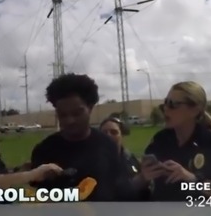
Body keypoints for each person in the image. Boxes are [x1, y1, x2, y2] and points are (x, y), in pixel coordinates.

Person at [29, 73, 137, 201]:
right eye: (63, 115)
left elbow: (118, 190)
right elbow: (36, 198)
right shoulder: (44, 150)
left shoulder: (108, 145)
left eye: (77, 113)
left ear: (90, 108)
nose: (70, 120)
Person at [141, 81, 211, 201]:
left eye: (173, 104)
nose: (166, 109)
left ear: (195, 110)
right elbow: (137, 187)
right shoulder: (159, 140)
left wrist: (192, 179)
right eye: (165, 103)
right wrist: (143, 178)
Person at [99, 117, 150, 200]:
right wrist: (133, 185)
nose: (108, 136)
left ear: (122, 136)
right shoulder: (93, 162)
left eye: (114, 132)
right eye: (104, 132)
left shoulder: (130, 158)